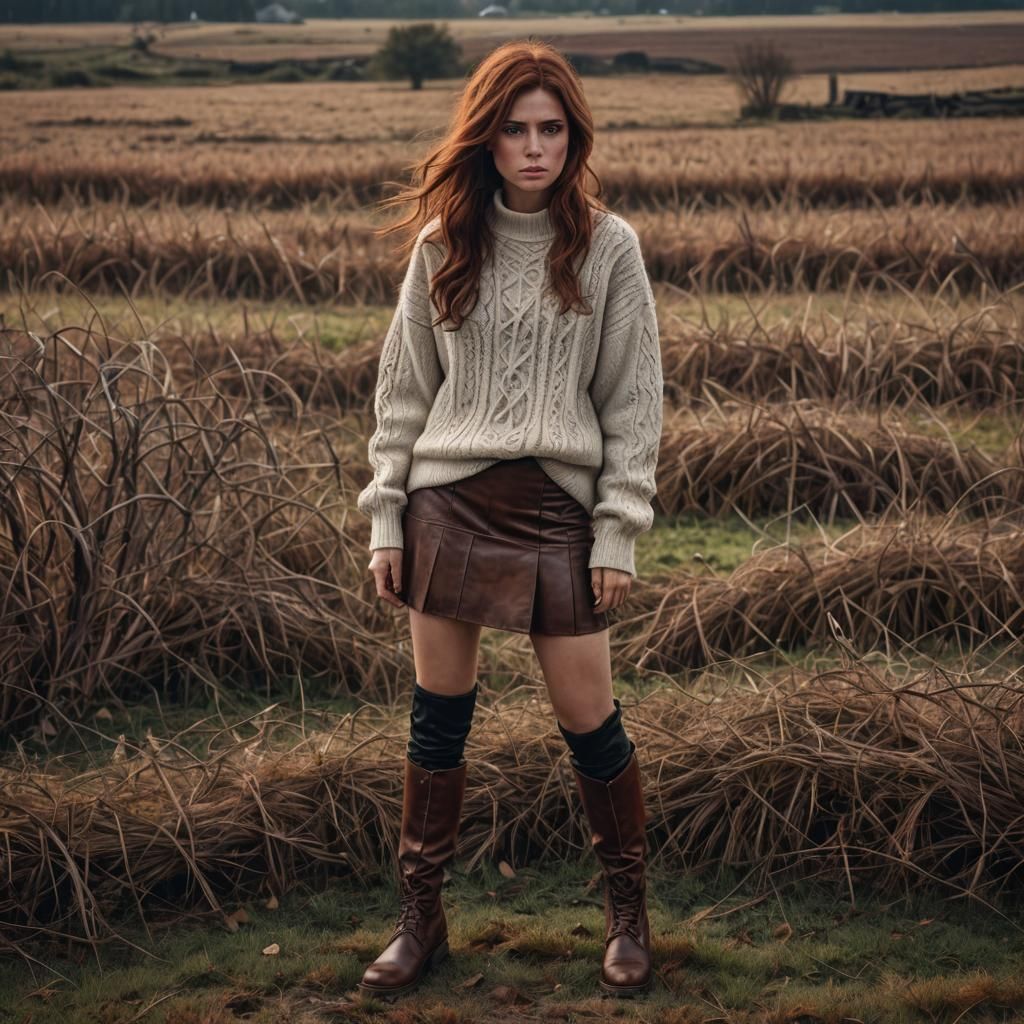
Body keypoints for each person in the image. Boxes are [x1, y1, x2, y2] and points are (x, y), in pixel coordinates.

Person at [354, 37, 664, 1001]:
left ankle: (627, 915)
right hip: (449, 499)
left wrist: (617, 528)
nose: (536, 148)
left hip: (559, 510)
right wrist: (386, 519)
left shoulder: (609, 246)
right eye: (516, 130)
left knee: (591, 722)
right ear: (485, 139)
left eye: (553, 129)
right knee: (437, 722)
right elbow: (402, 396)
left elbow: (634, 402)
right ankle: (421, 920)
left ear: (574, 138)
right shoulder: (443, 245)